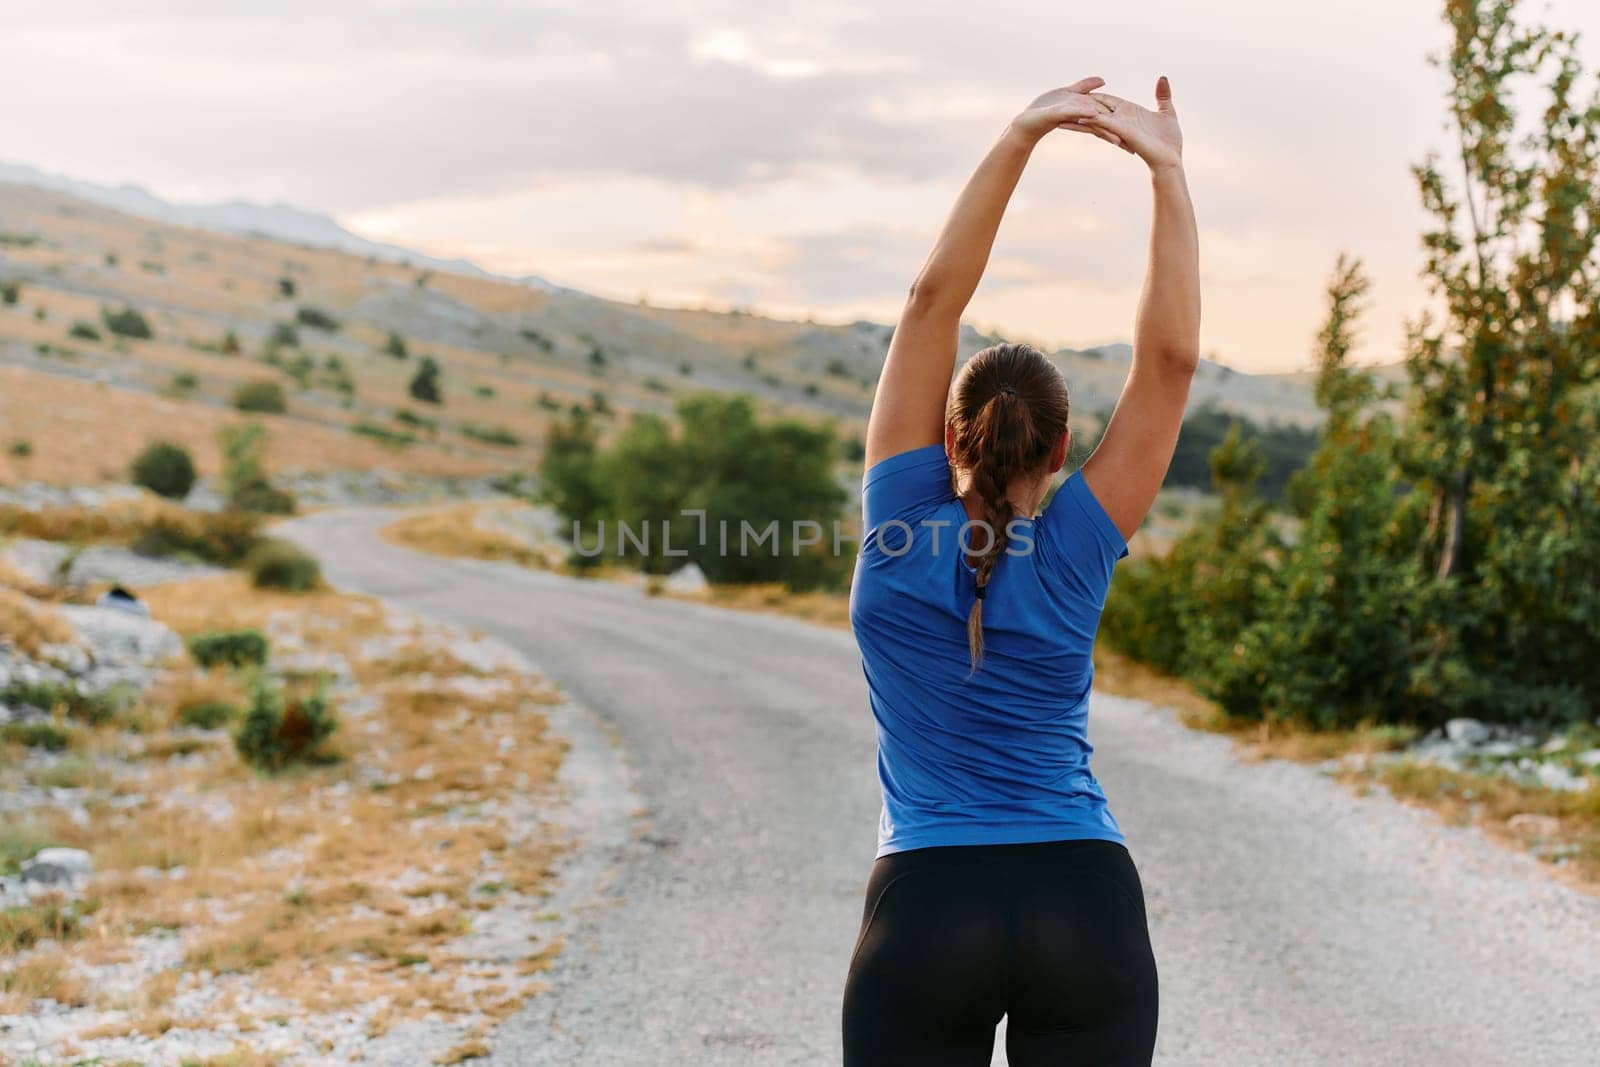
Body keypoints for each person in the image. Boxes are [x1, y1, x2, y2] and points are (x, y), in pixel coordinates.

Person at [842, 75, 1198, 1066]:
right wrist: (1167, 172)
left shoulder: (898, 522)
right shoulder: (1080, 541)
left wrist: (1022, 133)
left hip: (926, 909)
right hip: (1084, 901)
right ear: (1063, 446)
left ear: (943, 434)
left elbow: (928, 303)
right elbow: (1167, 364)